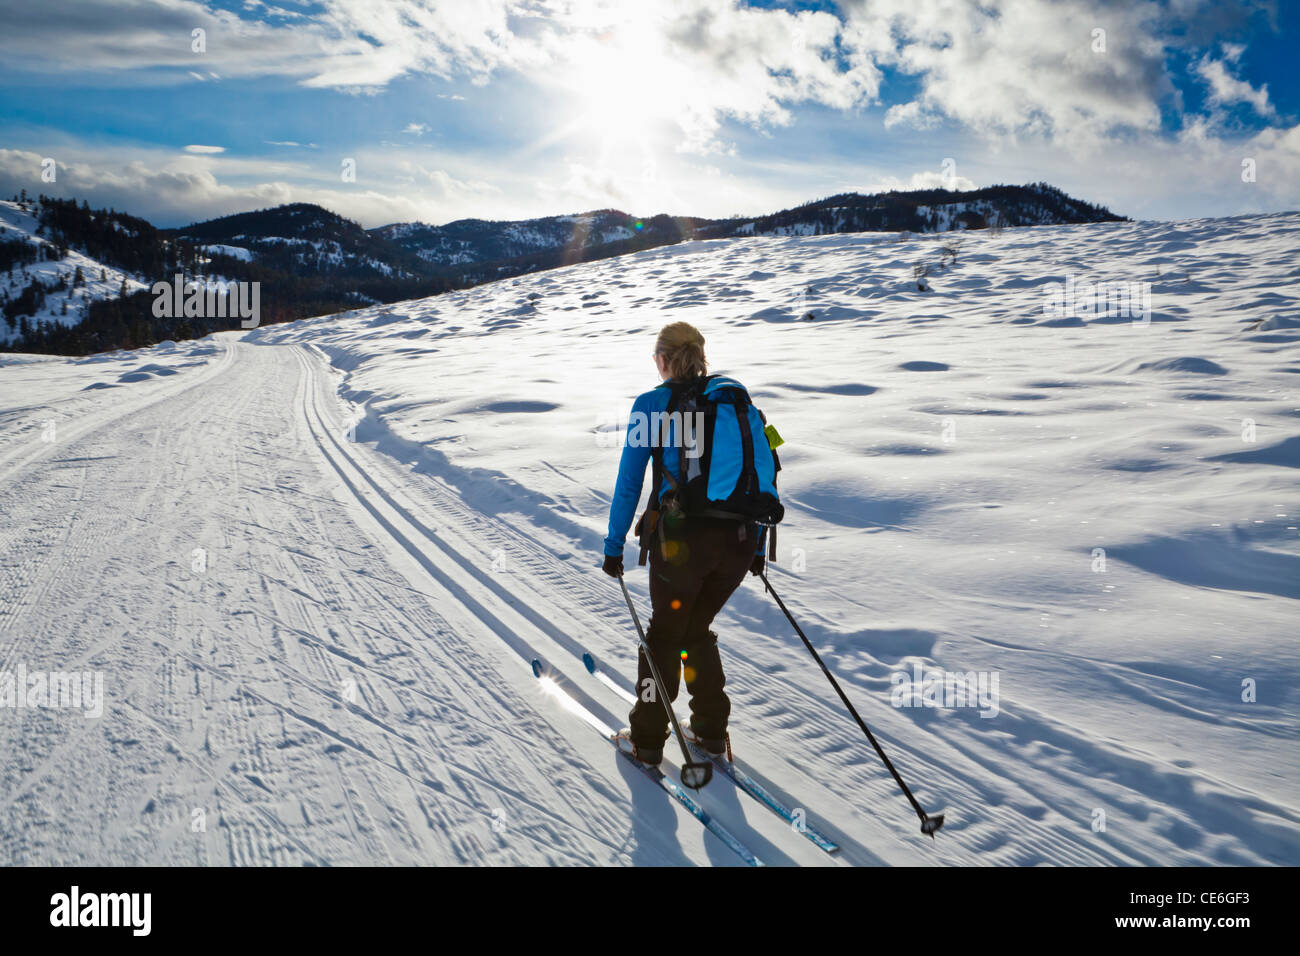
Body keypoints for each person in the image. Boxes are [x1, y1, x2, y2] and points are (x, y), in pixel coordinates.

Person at [601, 321, 767, 766]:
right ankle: (711, 732)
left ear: (664, 360)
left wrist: (613, 546)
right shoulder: (734, 400)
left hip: (682, 545)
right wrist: (756, 548)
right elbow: (764, 469)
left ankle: (647, 740)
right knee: (695, 630)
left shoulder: (651, 406)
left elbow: (629, 481)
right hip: (738, 540)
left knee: (665, 636)